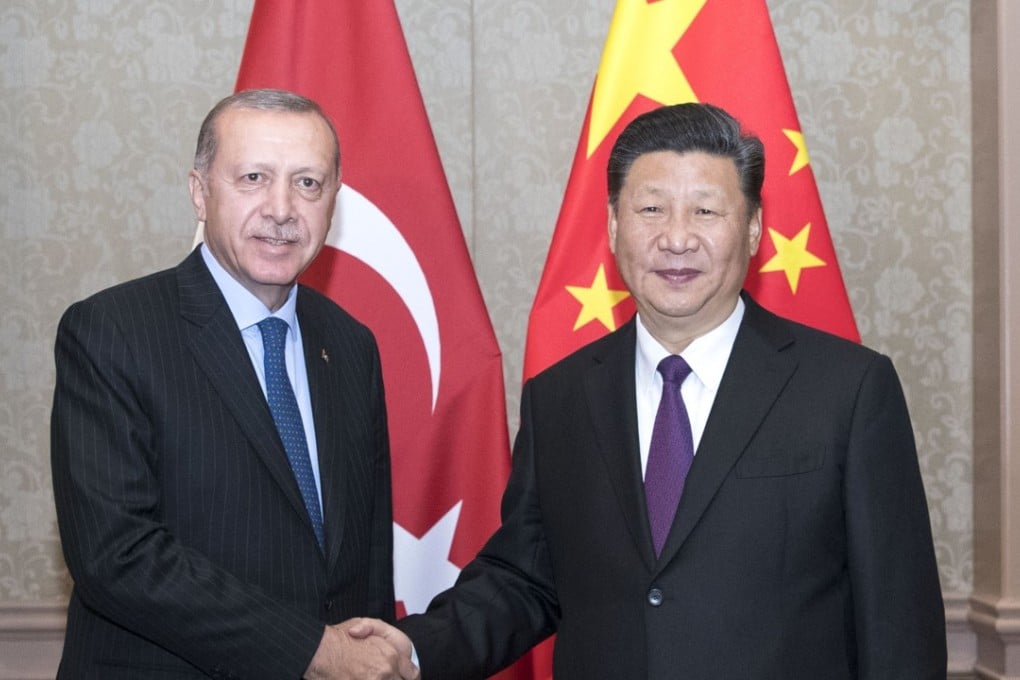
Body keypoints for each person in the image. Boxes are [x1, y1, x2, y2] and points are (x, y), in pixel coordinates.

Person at [358, 102, 947, 678]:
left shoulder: (847, 390)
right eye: (651, 209)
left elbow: (897, 623)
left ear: (753, 228)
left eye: (705, 211)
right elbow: (525, 579)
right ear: (615, 226)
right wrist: (412, 651)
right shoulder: (560, 398)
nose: (677, 238)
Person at [51, 88, 417, 679]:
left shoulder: (351, 345)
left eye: (308, 183)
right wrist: (314, 651)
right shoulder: (113, 331)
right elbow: (116, 554)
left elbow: (367, 557)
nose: (281, 209)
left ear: (333, 202)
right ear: (199, 192)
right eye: (253, 178)